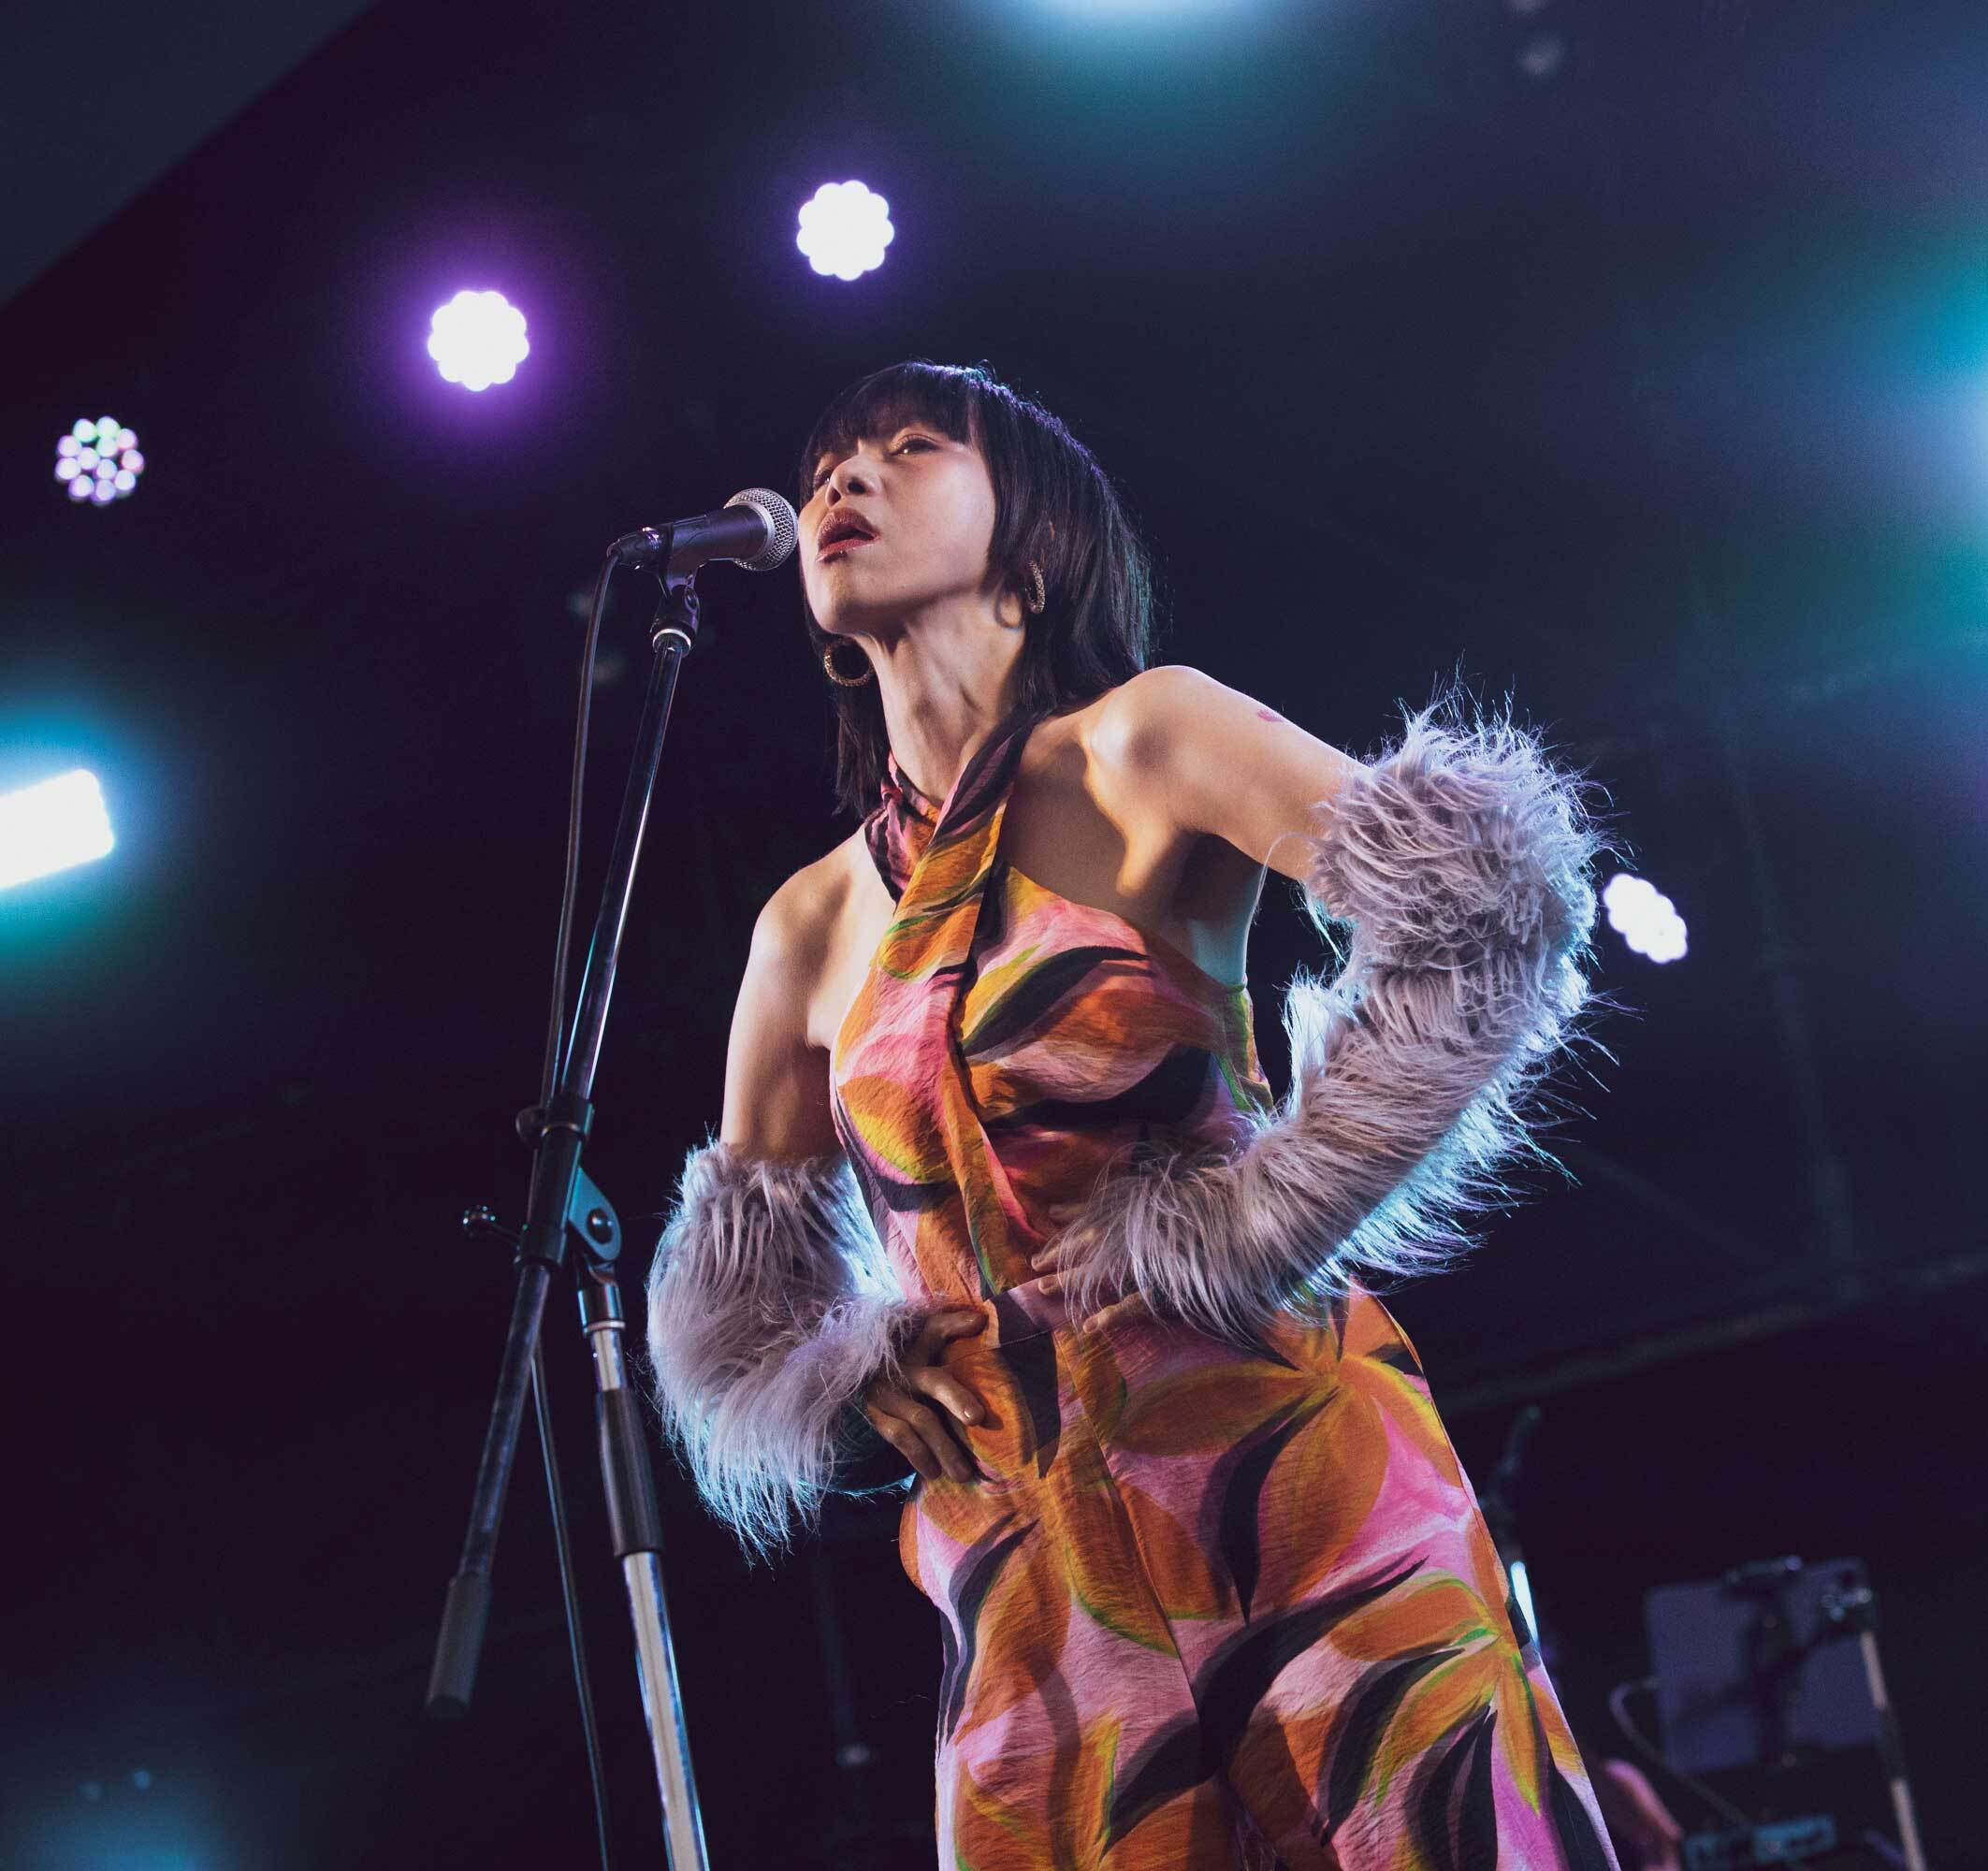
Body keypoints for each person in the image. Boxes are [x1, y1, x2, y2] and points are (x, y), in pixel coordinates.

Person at [644, 359, 1626, 1868]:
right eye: (832, 460)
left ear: (1036, 554)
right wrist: (842, 1383)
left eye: (912, 448)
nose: (846, 479)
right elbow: (736, 1308)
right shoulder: (808, 927)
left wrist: (1273, 1210)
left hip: (1289, 1476)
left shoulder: (1145, 741)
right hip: (1033, 1573)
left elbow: (1481, 898)